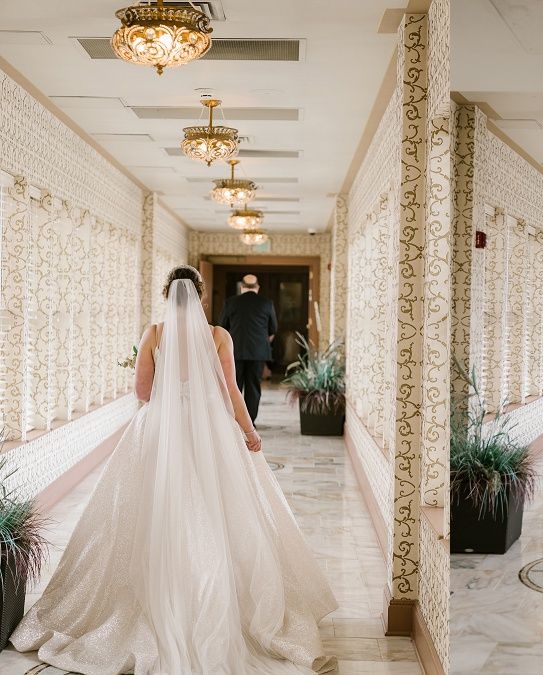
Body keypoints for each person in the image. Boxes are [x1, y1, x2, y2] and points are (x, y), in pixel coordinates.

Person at [12, 266, 337, 674]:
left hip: (159, 432)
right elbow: (230, 390)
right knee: (219, 509)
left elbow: (143, 393)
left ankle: (150, 597)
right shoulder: (219, 336)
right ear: (200, 296)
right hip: (209, 429)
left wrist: (170, 392)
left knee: (150, 509)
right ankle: (218, 599)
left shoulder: (155, 333)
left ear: (167, 294)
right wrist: (248, 431)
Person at [218, 273, 277, 425]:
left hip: (234, 352)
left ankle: (234, 421)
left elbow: (222, 328)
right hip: (258, 352)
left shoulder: (230, 302)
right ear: (257, 287)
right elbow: (273, 328)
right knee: (253, 387)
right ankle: (250, 422)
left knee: (233, 386)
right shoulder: (267, 303)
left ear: (242, 287)